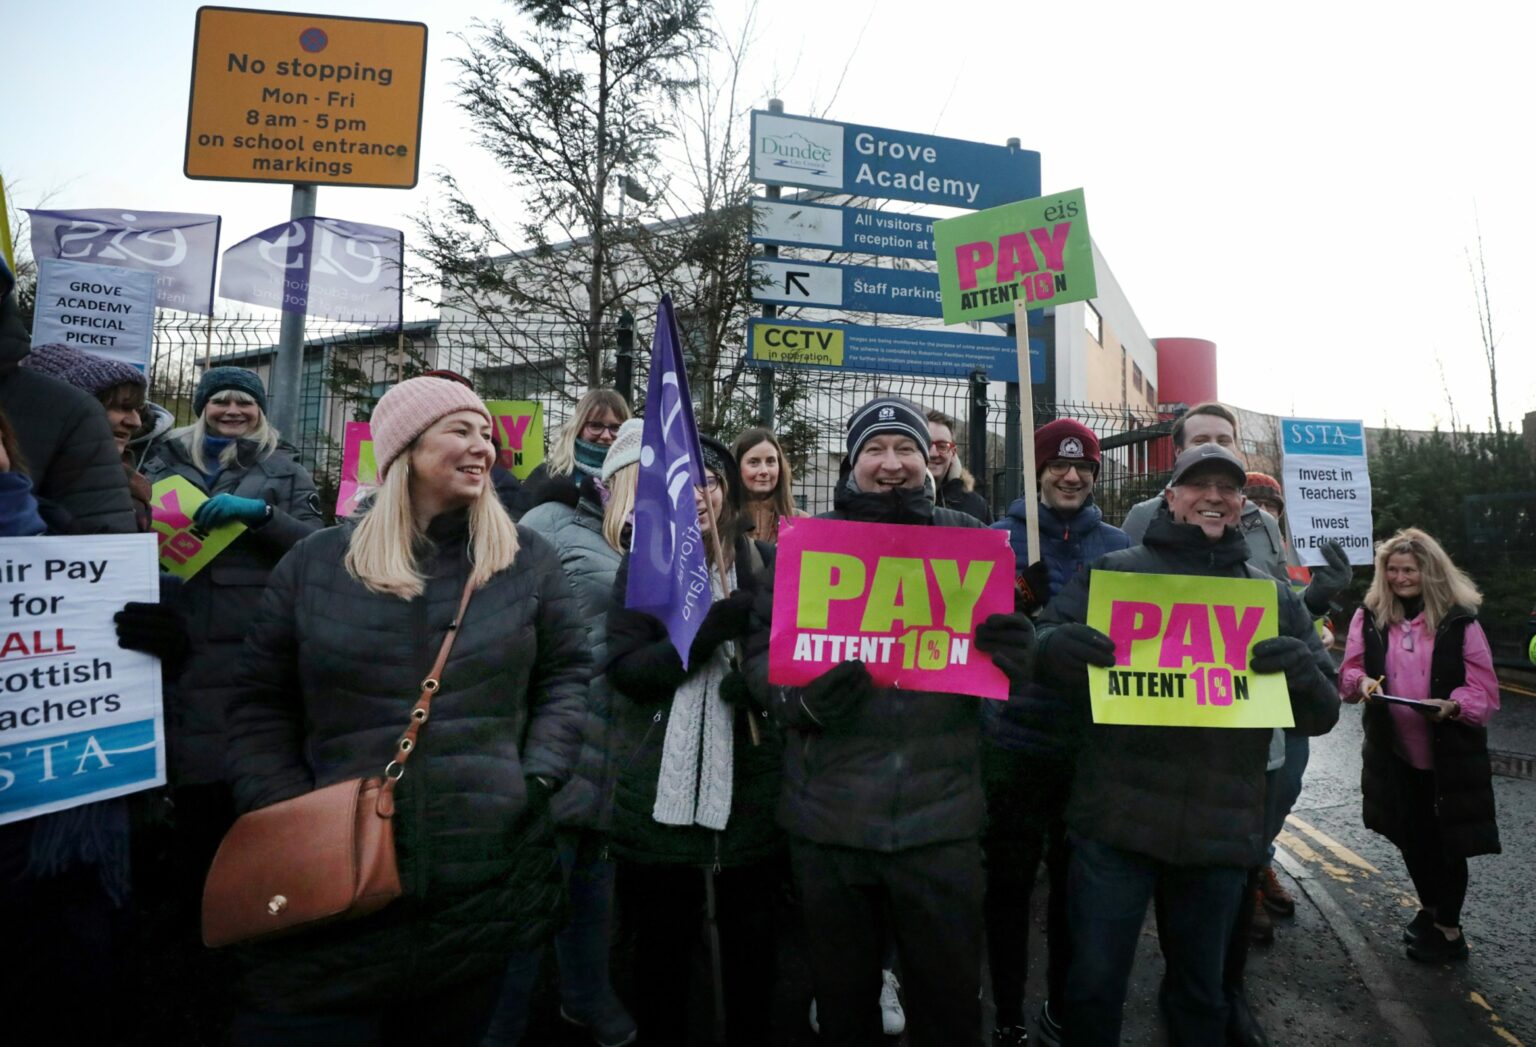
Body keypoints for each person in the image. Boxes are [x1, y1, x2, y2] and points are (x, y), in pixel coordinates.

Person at [223, 376, 590, 1042]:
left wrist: (534, 777)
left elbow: (567, 672)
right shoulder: (315, 564)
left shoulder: (526, 561)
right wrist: (282, 806)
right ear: (405, 451)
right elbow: (258, 702)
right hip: (335, 881)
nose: (484, 447)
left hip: (479, 876)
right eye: (460, 431)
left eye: (487, 433)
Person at [1035, 443, 1340, 1047]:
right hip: (1115, 826)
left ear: (1239, 506)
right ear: (1170, 499)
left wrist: (1304, 673)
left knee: (1201, 996)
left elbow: (1324, 710)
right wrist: (1054, 649)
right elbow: (1037, 644)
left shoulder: (1270, 596)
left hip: (1218, 834)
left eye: (1227, 489)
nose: (1214, 496)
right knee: (1094, 985)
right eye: (1198, 485)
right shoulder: (1115, 574)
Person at [766, 396, 1036, 1047]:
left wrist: (1024, 655)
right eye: (875, 450)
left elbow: (1013, 677)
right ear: (852, 462)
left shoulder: (970, 547)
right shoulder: (802, 549)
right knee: (844, 1005)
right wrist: (799, 705)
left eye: (906, 448)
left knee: (946, 1007)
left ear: (931, 459)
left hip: (939, 827)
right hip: (830, 824)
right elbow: (756, 664)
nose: (892, 463)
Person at [603, 432, 782, 1046]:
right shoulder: (643, 567)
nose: (697, 493)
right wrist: (704, 634)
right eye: (681, 481)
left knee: (754, 958)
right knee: (660, 960)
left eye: (707, 479)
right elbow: (628, 672)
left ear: (726, 488)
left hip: (752, 793)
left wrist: (756, 688)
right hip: (659, 798)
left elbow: (787, 667)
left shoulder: (765, 563)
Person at [139, 367, 325, 903]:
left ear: (260, 410)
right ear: (202, 407)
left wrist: (263, 515)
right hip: (178, 636)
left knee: (245, 771)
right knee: (190, 776)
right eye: (219, 400)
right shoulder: (161, 462)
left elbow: (315, 547)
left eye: (244, 402)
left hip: (254, 637)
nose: (232, 410)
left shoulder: (286, 469)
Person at [485, 421, 640, 1047]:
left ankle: (584, 994)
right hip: (563, 731)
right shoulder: (548, 523)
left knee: (594, 893)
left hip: (626, 746)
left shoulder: (670, 542)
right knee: (532, 897)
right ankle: (502, 1025)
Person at [984, 419, 1129, 1047]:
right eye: (1058, 466)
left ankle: (1063, 1006)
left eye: (1084, 468)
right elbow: (973, 634)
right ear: (1037, 470)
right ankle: (1008, 1010)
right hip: (1013, 743)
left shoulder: (1120, 547)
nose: (1071, 477)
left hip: (1088, 749)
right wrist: (1018, 600)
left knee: (1077, 895)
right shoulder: (997, 539)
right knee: (1009, 891)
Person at [1339, 528, 1501, 963]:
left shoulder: (1459, 620)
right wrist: (1362, 683)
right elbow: (1349, 673)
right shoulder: (1369, 616)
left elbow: (1484, 690)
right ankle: (1430, 911)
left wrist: (1452, 706)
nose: (1399, 578)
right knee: (1411, 837)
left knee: (1446, 841)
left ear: (1429, 572)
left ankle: (1450, 930)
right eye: (1391, 570)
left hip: (1448, 756)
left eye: (1409, 570)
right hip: (1395, 752)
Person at [0, 258, 136, 532]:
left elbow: (104, 555)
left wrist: (13, 504)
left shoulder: (69, 411)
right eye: (120, 406)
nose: (134, 421)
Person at [22, 343, 153, 529]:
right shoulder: (21, 486)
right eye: (120, 407)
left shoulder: (130, 479)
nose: (136, 422)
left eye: (137, 409)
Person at [524, 387, 630, 498]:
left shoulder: (638, 480)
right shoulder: (545, 475)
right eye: (595, 426)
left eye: (615, 427)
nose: (606, 436)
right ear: (578, 427)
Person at [732, 426, 807, 544]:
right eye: (754, 462)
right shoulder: (720, 521)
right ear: (736, 467)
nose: (764, 471)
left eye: (770, 461)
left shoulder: (802, 522)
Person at [926, 408, 992, 523]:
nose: (933, 453)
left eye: (942, 446)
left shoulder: (976, 506)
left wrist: (953, 492)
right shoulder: (898, 499)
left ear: (953, 453)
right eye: (927, 444)